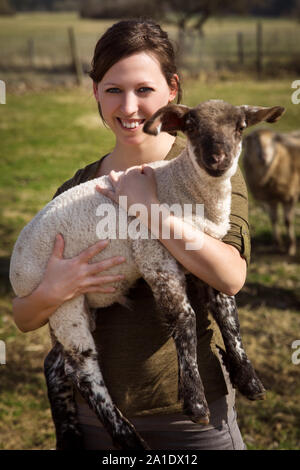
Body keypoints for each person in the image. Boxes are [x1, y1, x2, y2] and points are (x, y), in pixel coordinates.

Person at [12, 19, 250, 450]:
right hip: (97, 420)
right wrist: (53, 290)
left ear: (172, 90)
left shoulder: (209, 167)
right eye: (113, 90)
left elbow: (230, 276)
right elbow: (25, 318)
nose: (129, 107)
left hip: (191, 421)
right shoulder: (78, 191)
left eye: (144, 89)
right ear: (96, 93)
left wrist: (148, 208)